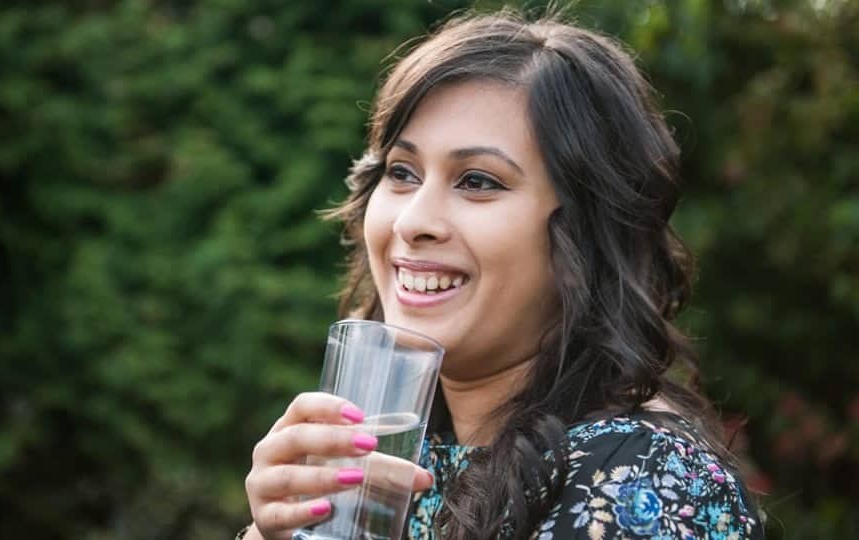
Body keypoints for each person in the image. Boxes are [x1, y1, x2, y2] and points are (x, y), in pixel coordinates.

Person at [239, 9, 764, 540]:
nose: (414, 220)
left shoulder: (637, 480)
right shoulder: (393, 467)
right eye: (402, 172)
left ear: (584, 233)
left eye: (477, 181)